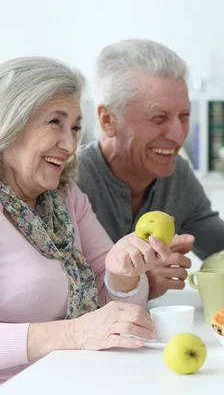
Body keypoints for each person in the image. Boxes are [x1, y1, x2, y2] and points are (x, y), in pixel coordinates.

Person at [0, 57, 170, 383]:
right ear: (10, 122)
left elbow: (113, 303)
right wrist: (72, 334)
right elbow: (84, 330)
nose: (69, 145)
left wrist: (122, 275)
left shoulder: (66, 198)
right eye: (55, 123)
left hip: (76, 378)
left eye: (76, 128)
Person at [76, 39, 224, 300]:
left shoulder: (176, 176)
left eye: (184, 116)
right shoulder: (73, 182)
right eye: (158, 118)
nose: (177, 135)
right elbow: (52, 301)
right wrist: (137, 283)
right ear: (108, 120)